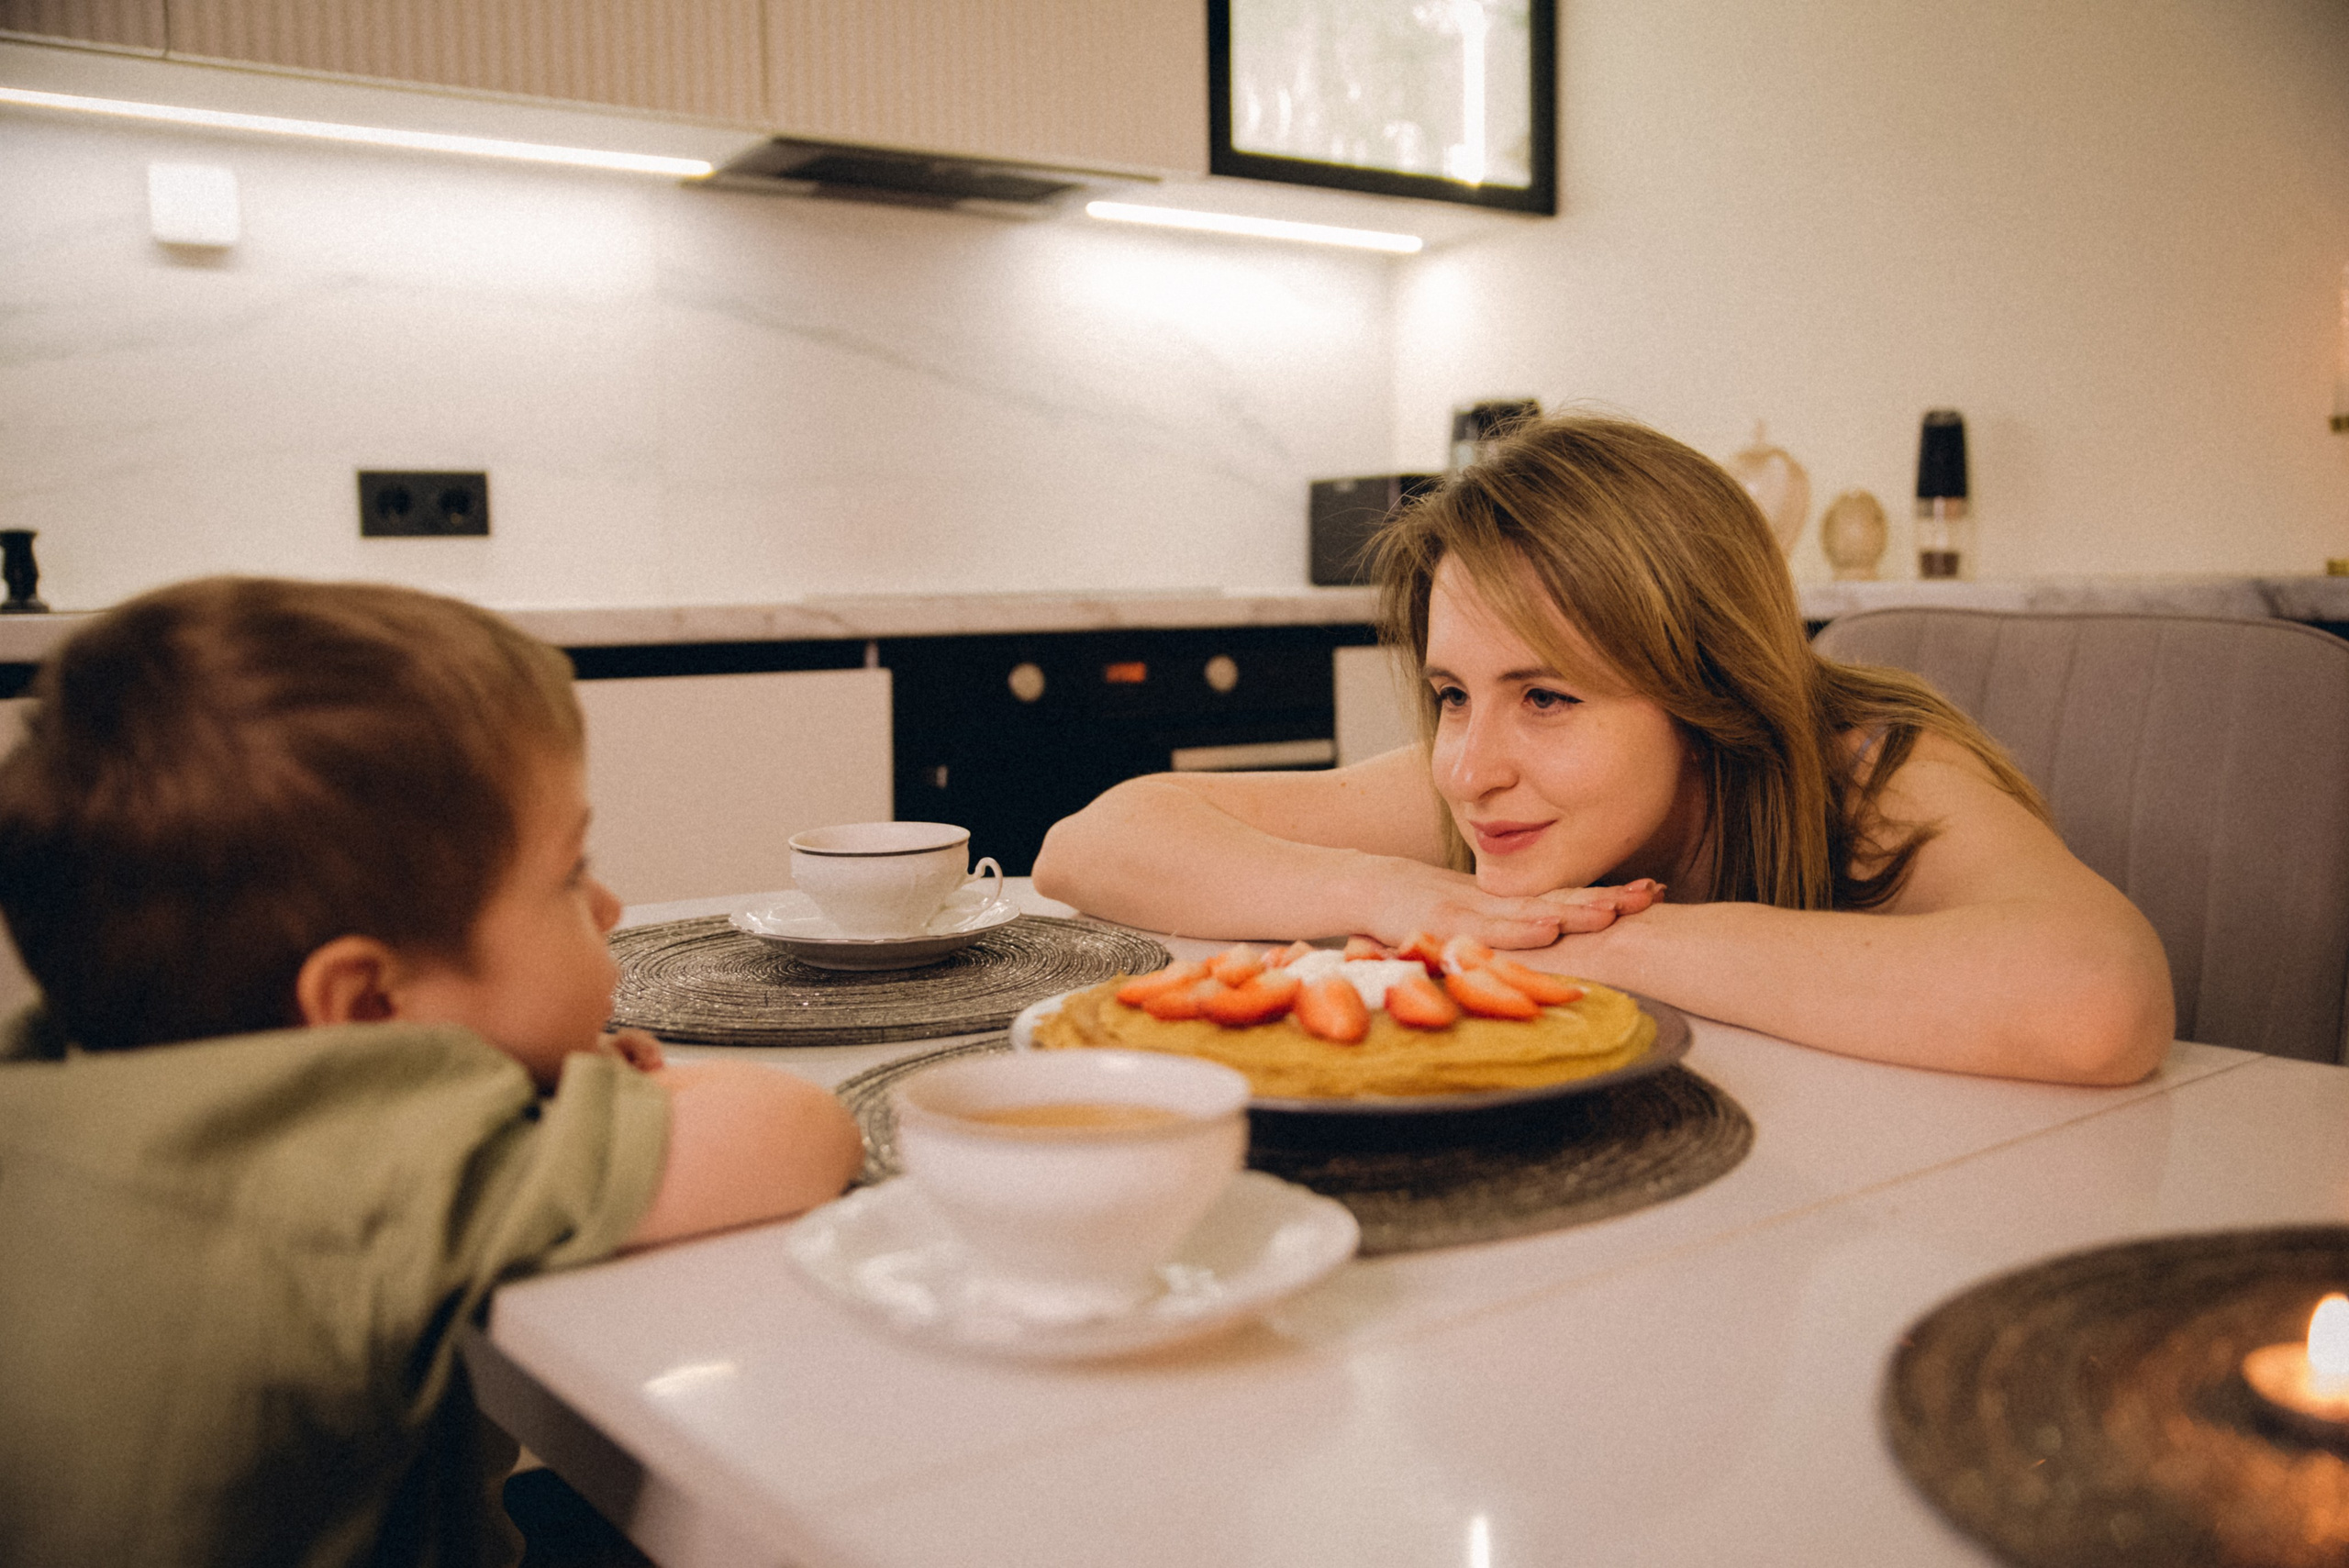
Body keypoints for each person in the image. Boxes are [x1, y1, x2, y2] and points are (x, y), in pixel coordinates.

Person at [0, 577, 865, 1567]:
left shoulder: (61, 1067)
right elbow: (796, 1134)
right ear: (369, 1006)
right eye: (570, 874)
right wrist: (591, 1093)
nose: (613, 904)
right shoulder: (347, 1161)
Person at [1034, 417, 2172, 1085]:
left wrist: (1593, 947)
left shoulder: (1873, 771)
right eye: (1449, 695)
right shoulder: (1489, 789)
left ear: (1708, 688)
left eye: (1546, 696)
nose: (1471, 766)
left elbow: (2097, 996)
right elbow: (1089, 843)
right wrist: (1388, 894)